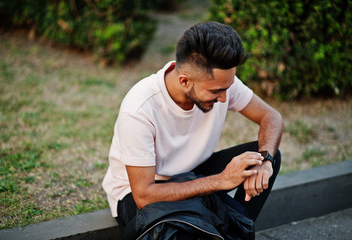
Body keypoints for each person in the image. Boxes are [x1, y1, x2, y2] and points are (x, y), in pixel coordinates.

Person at [102, 21, 283, 238]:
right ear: (185, 81)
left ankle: (237, 233)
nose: (225, 98)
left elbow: (271, 117)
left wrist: (265, 159)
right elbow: (144, 195)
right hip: (141, 192)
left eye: (228, 87)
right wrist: (220, 181)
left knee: (262, 158)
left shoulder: (220, 82)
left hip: (193, 172)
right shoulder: (139, 109)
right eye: (217, 91)